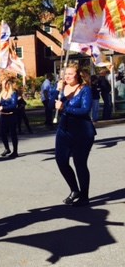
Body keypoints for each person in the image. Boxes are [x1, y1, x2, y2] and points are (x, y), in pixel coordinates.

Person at [54, 64, 95, 206]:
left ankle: (84, 196)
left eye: (70, 74)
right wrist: (56, 91)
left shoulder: (85, 90)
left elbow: (85, 110)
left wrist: (65, 107)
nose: (67, 76)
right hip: (64, 131)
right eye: (65, 74)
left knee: (80, 163)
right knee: (61, 161)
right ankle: (74, 190)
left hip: (82, 132)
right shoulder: (61, 89)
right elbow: (51, 107)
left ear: (77, 75)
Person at [0, 77, 19, 158]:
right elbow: (1, 103)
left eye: (4, 84)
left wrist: (3, 108)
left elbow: (14, 105)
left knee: (13, 133)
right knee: (2, 132)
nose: (3, 86)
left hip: (12, 115)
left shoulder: (13, 93)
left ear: (8, 84)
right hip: (4, 115)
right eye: (2, 84)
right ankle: (7, 148)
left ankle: (15, 151)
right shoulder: (2, 93)